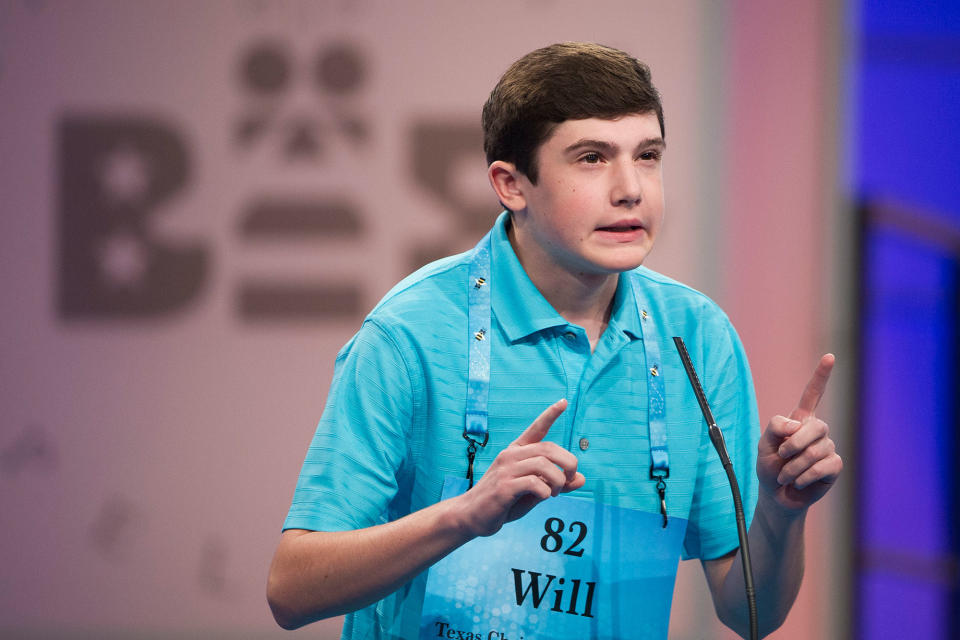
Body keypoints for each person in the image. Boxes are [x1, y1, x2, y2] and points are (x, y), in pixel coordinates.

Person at [267, 42, 842, 639]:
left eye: (647, 156)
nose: (631, 189)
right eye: (592, 158)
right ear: (511, 184)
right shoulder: (409, 331)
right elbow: (292, 591)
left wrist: (780, 513)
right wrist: (465, 516)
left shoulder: (696, 336)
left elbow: (752, 615)